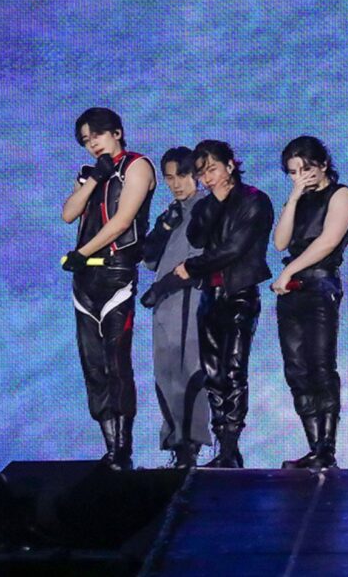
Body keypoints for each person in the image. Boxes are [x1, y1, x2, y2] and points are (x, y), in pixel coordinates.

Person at [60, 107, 155, 470]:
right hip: (85, 279)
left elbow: (123, 220)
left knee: (116, 362)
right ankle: (109, 446)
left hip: (116, 272)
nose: (93, 144)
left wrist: (82, 253)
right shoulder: (91, 173)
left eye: (97, 135)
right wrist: (93, 180)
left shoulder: (137, 166)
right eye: (86, 140)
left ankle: (123, 450)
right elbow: (69, 213)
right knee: (93, 365)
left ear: (116, 132)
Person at [175, 140, 273, 469]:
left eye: (213, 170)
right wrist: (214, 204)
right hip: (210, 295)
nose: (208, 178)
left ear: (230, 165)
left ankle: (231, 448)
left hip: (240, 293)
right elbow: (196, 237)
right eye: (202, 173)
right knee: (213, 374)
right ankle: (223, 450)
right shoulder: (207, 204)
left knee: (233, 370)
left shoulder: (254, 200)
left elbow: (234, 248)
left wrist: (192, 267)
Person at [270, 136, 348, 471]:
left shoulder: (341, 194)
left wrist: (289, 271)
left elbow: (328, 241)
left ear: (322, 164)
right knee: (296, 369)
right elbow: (280, 242)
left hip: (320, 283)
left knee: (321, 365)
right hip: (291, 289)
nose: (300, 177)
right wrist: (294, 198)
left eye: (305, 169)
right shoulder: (298, 199)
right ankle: (312, 446)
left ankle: (326, 447)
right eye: (293, 172)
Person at [139, 146, 212, 468]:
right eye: (169, 178)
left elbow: (203, 259)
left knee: (188, 369)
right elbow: (149, 259)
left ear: (195, 174)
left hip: (190, 298)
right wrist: (163, 228)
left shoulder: (206, 208)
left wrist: (164, 286)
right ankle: (176, 444)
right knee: (165, 370)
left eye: (182, 175)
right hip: (164, 305)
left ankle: (190, 446)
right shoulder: (172, 212)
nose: (176, 183)